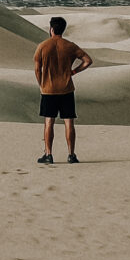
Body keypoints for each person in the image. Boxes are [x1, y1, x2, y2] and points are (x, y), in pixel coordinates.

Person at [33, 15, 92, 164]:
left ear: (51, 29)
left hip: (49, 90)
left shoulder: (42, 46)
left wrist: (42, 84)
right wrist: (74, 71)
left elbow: (37, 69)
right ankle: (71, 155)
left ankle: (48, 154)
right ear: (62, 30)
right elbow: (88, 61)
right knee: (69, 123)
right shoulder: (70, 46)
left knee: (48, 122)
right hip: (66, 88)